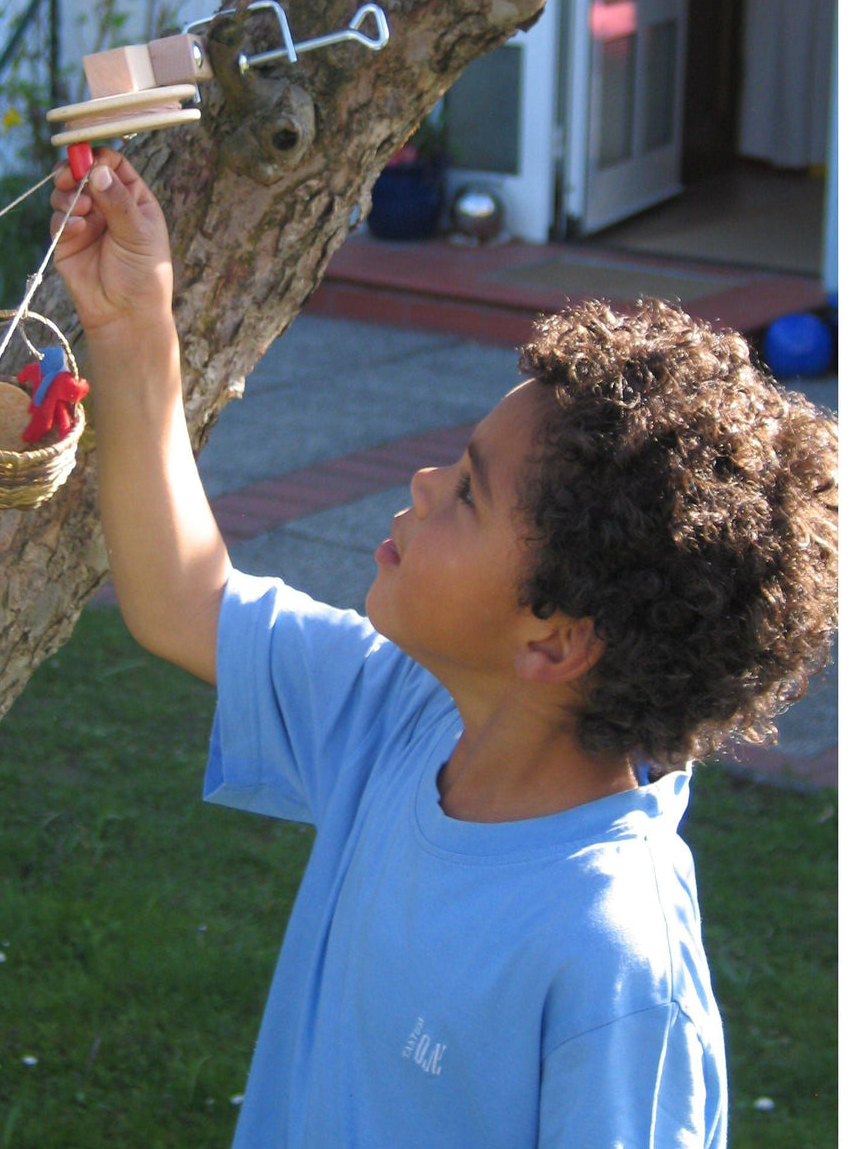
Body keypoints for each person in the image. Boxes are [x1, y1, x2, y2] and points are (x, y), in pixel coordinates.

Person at [49, 149, 839, 1147]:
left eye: (467, 490)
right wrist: (129, 326)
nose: (423, 481)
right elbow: (181, 599)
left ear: (553, 641)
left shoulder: (615, 963)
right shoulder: (402, 713)